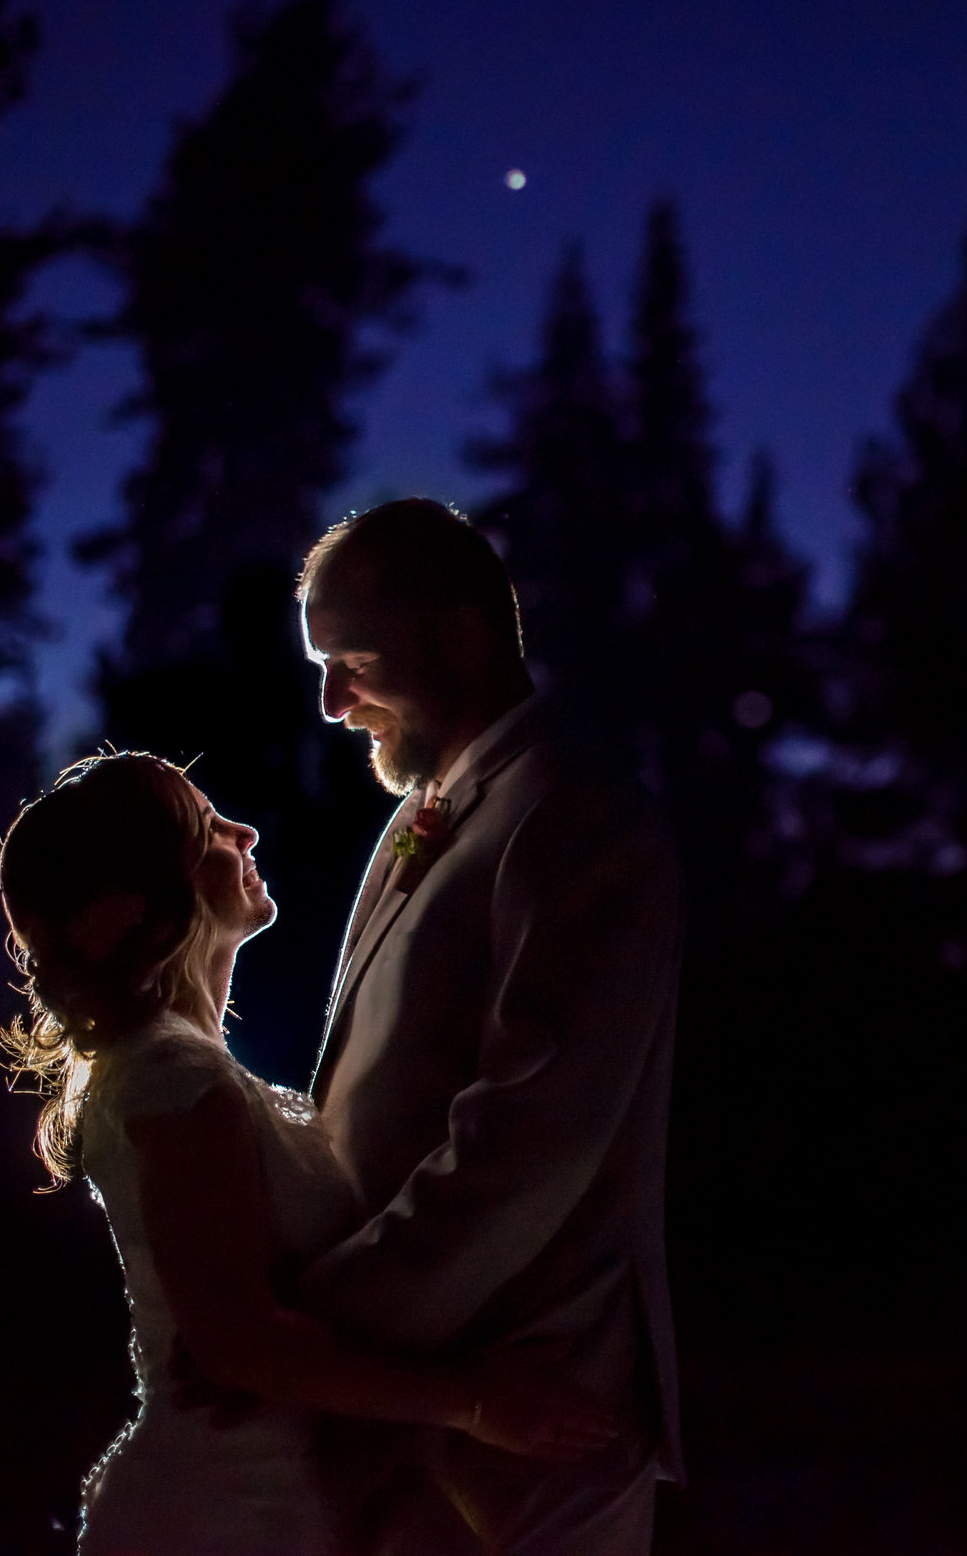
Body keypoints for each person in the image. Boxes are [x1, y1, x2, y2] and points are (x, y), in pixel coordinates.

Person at [0, 751, 618, 1556]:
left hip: (273, 1500)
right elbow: (237, 1342)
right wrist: (474, 1403)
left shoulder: (183, 1065)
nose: (244, 831)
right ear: (151, 899)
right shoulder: (171, 1078)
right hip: (224, 1514)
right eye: (207, 828)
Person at [292, 497, 684, 1555]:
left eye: (353, 659)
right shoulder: (419, 820)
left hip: (531, 1423)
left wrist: (317, 1326)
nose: (332, 702)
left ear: (461, 635)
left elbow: (530, 1136)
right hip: (408, 1414)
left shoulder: (576, 820)